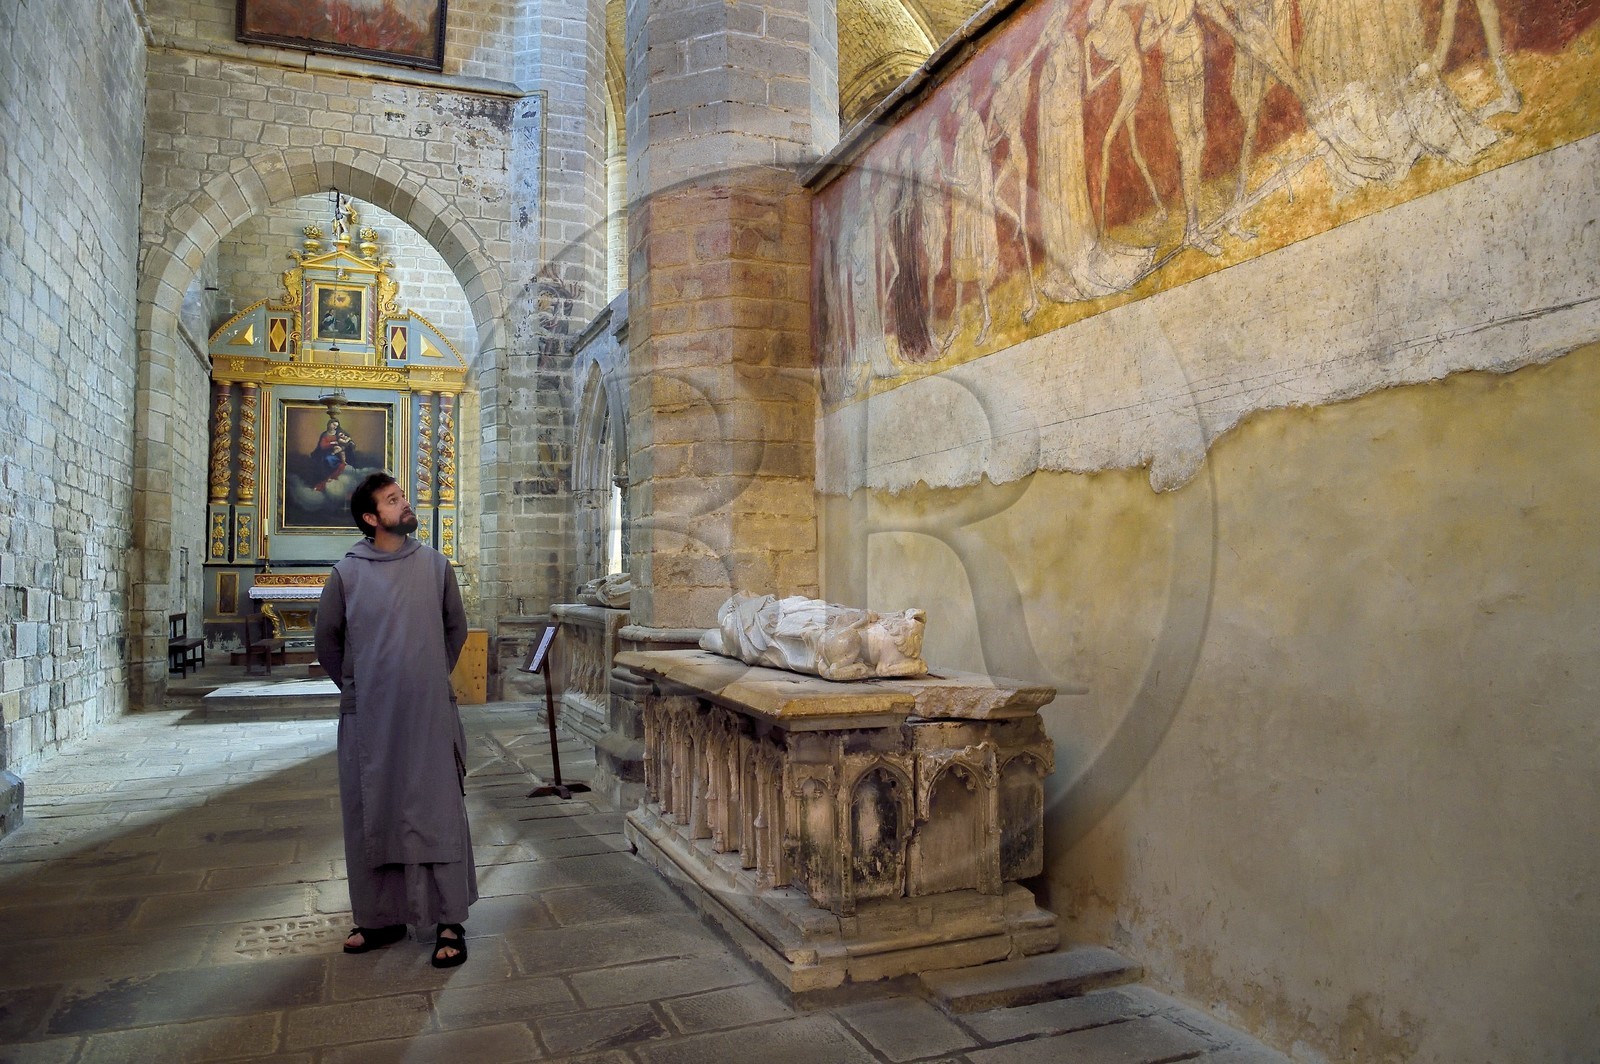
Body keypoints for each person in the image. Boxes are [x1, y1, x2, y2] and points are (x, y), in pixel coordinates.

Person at [314, 472, 475, 968]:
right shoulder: (346, 574)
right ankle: (380, 918)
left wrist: (424, 678)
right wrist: (366, 691)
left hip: (428, 714)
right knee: (374, 812)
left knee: (436, 811)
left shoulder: (434, 566)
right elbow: (328, 644)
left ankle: (448, 919)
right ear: (371, 518)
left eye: (402, 496)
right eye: (393, 500)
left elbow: (455, 628)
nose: (406, 504)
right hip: (370, 720)